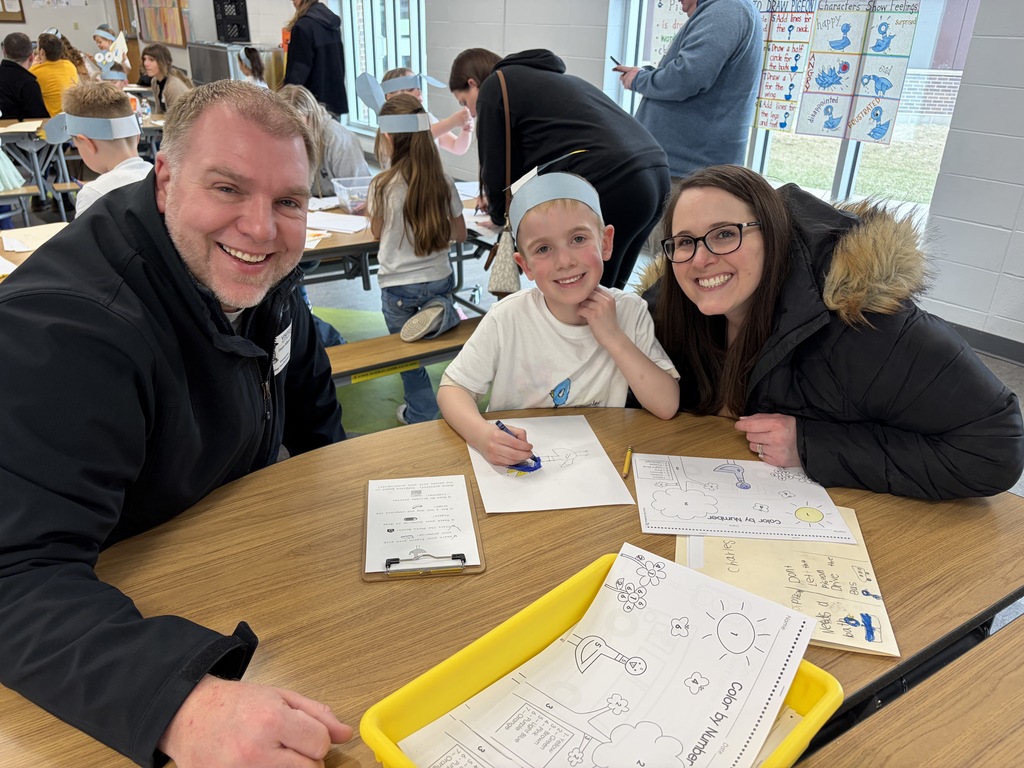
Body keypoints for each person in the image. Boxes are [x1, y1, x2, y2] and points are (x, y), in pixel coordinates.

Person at [0, 80, 352, 767]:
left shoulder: (268, 279)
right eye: (227, 189)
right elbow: (15, 574)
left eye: (288, 201)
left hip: (236, 569)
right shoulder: (65, 331)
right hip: (98, 628)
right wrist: (178, 704)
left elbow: (313, 411)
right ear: (165, 180)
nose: (261, 228)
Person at [641, 164, 1024, 500]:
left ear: (773, 235)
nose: (701, 258)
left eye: (725, 234)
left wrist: (812, 446)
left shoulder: (865, 326)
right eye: (685, 241)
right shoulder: (672, 309)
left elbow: (995, 450)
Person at [438, 172, 679, 465]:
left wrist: (613, 337)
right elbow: (453, 389)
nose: (565, 261)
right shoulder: (508, 318)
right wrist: (481, 435)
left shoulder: (630, 311)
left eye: (578, 238)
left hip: (597, 464)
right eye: (543, 248)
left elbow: (666, 405)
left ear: (605, 242)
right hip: (520, 465)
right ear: (524, 265)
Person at [448, 48, 670, 291]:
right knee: (610, 293)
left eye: (465, 101)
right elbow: (536, 163)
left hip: (619, 180)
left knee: (586, 295)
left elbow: (495, 166)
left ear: (473, 83)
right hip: (656, 173)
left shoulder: (494, 87)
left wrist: (498, 214)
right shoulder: (553, 81)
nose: (471, 112)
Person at [368, 94, 467, 425]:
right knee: (438, 311)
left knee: (409, 361)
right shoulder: (444, 182)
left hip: (397, 288)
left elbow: (376, 233)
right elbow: (461, 234)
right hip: (438, 279)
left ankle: (422, 415)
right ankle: (443, 313)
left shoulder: (382, 185)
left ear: (389, 138)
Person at [615, 0, 764, 179]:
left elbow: (687, 77)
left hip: (688, 171)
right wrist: (645, 76)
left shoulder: (727, 8)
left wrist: (640, 80)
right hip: (683, 167)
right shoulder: (728, 9)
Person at [279, 83, 369, 347]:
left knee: (287, 272)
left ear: (312, 118)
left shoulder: (338, 139)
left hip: (336, 227)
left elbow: (360, 198)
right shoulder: (278, 139)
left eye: (300, 124)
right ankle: (303, 320)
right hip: (302, 226)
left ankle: (315, 332)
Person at [57, 81, 153, 216]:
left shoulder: (93, 196)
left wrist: (94, 192)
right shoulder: (163, 179)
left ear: (87, 143)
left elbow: (85, 237)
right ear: (137, 136)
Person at [278, 83, 369, 197]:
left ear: (311, 119)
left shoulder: (339, 140)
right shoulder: (274, 137)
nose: (292, 135)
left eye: (299, 127)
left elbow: (359, 195)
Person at [382, 67, 473, 156]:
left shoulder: (428, 119)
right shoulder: (392, 126)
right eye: (410, 89)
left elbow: (456, 147)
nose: (418, 91)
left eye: (418, 87)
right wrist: (452, 122)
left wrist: (466, 130)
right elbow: (420, 136)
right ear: (391, 98)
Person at [283, 0, 347, 117]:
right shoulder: (331, 23)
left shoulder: (303, 26)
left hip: (311, 107)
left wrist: (286, 102)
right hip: (334, 102)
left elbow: (297, 73)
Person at [0, 32, 48, 121]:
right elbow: (40, 117)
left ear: (4, 51)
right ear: (31, 57)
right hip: (20, 131)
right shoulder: (28, 83)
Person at [30, 32, 80, 116]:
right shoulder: (70, 65)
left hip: (53, 119)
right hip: (74, 114)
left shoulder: (34, 71)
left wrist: (31, 66)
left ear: (42, 51)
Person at [142, 43, 193, 114]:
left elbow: (178, 119)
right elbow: (159, 112)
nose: (146, 63)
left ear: (162, 62)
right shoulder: (155, 81)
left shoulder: (173, 86)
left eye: (151, 60)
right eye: (144, 59)